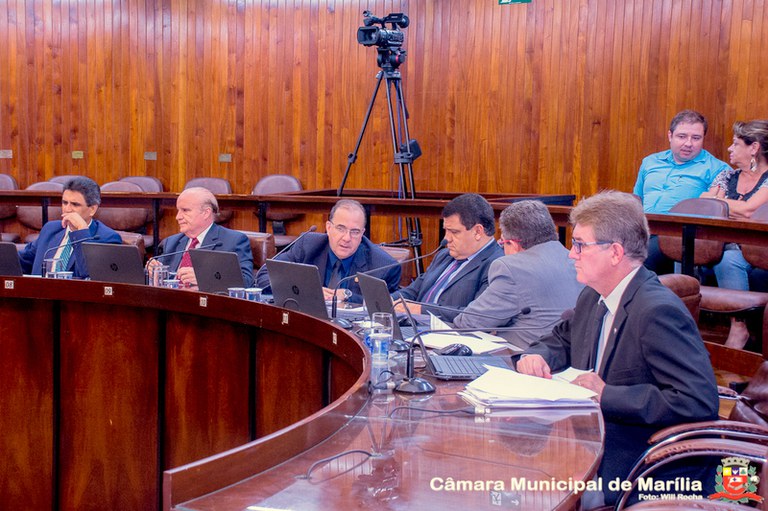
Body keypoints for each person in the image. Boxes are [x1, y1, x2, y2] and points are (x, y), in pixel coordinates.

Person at [517, 191, 718, 507]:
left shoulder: (657, 311)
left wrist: (606, 394)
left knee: (527, 494)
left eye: (580, 245)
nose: (571, 255)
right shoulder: (593, 295)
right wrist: (536, 356)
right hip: (584, 442)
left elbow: (697, 400)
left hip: (638, 463)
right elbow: (562, 339)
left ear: (614, 252)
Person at [452, 200, 583, 349]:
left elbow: (469, 324)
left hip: (528, 357)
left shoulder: (512, 268)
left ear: (513, 244)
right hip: (575, 356)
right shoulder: (574, 259)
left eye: (502, 243)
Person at [633, 110, 730, 273]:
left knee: (637, 258)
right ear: (670, 136)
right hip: (641, 229)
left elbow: (719, 215)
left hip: (680, 237)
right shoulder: (650, 162)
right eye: (682, 136)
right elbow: (637, 199)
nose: (688, 143)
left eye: (696, 138)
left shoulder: (718, 170)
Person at [700, 119, 768, 348]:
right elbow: (704, 203)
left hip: (757, 248)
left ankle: (739, 326)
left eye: (736, 143)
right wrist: (734, 209)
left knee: (729, 259)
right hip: (719, 243)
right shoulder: (727, 176)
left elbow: (750, 211)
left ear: (754, 148)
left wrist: (720, 203)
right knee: (686, 253)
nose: (729, 148)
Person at [254, 199, 401, 304]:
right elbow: (264, 276)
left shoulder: (383, 266)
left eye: (355, 232)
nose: (347, 238)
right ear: (329, 228)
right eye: (341, 229)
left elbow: (389, 305)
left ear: (362, 233)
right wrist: (308, 290)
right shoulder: (308, 245)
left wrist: (349, 296)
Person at [393, 193, 503, 321]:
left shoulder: (497, 265)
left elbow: (476, 315)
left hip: (446, 331)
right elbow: (414, 290)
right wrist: (390, 300)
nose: (446, 238)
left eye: (454, 232)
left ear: (478, 231)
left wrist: (422, 310)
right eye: (446, 230)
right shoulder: (444, 255)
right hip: (411, 325)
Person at [18, 176, 122, 278]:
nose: (67, 209)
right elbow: (22, 261)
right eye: (64, 203)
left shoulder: (107, 238)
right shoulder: (50, 229)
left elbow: (90, 275)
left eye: (75, 204)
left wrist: (81, 231)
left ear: (92, 209)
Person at [153, 187, 254, 289]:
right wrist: (154, 271)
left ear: (206, 213)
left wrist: (204, 278)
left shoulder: (233, 241)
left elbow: (246, 282)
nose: (178, 217)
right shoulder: (171, 242)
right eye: (178, 210)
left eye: (185, 210)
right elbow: (163, 277)